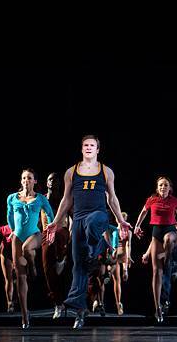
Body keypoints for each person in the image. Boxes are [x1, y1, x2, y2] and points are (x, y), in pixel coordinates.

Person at [45, 135, 131, 330]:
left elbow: (112, 198)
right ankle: (80, 311)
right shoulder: (71, 172)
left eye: (92, 145)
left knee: (93, 222)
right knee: (79, 266)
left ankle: (99, 247)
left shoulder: (106, 171)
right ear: (81, 149)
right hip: (78, 221)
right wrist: (56, 222)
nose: (89, 147)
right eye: (85, 145)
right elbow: (66, 200)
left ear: (98, 149)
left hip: (98, 215)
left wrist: (120, 219)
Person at [7, 168, 54, 328]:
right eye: (24, 178)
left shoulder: (40, 198)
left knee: (28, 249)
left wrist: (50, 229)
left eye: (30, 178)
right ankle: (25, 315)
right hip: (17, 237)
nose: (26, 180)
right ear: (21, 181)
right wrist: (13, 231)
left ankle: (33, 265)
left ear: (35, 181)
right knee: (20, 277)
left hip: (35, 234)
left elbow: (50, 214)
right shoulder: (12, 198)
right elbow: (9, 216)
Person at [134, 176, 177, 322]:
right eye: (161, 185)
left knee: (168, 239)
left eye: (166, 185)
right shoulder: (151, 200)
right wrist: (137, 225)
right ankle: (158, 308)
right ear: (157, 188)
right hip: (156, 232)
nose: (163, 187)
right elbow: (143, 212)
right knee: (157, 272)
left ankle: (170, 261)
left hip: (171, 230)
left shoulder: (174, 201)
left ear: (170, 188)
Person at [40, 172, 70, 319]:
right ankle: (58, 304)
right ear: (47, 183)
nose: (53, 182)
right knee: (47, 269)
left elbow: (74, 216)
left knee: (58, 233)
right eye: (50, 179)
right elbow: (38, 220)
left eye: (56, 180)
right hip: (46, 234)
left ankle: (61, 257)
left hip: (62, 232)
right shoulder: (42, 199)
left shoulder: (65, 199)